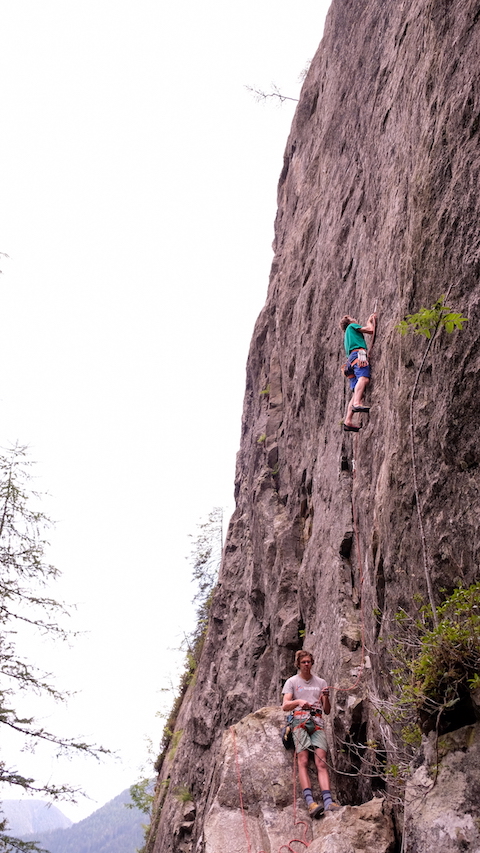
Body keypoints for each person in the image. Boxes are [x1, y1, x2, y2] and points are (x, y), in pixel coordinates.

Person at [282, 650, 341, 818]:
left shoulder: (321, 682)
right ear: (298, 664)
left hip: (317, 722)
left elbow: (327, 710)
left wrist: (326, 697)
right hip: (299, 722)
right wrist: (299, 701)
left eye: (309, 662)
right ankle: (310, 802)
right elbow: (285, 705)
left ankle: (328, 801)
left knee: (321, 762)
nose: (307, 665)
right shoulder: (292, 682)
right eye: (303, 662)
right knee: (303, 760)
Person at [339, 313, 376, 432]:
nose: (354, 319)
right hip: (358, 355)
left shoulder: (347, 337)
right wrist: (369, 321)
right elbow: (370, 330)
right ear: (349, 322)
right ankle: (357, 403)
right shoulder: (352, 327)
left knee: (356, 391)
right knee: (364, 378)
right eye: (352, 318)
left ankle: (348, 420)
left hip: (350, 362)